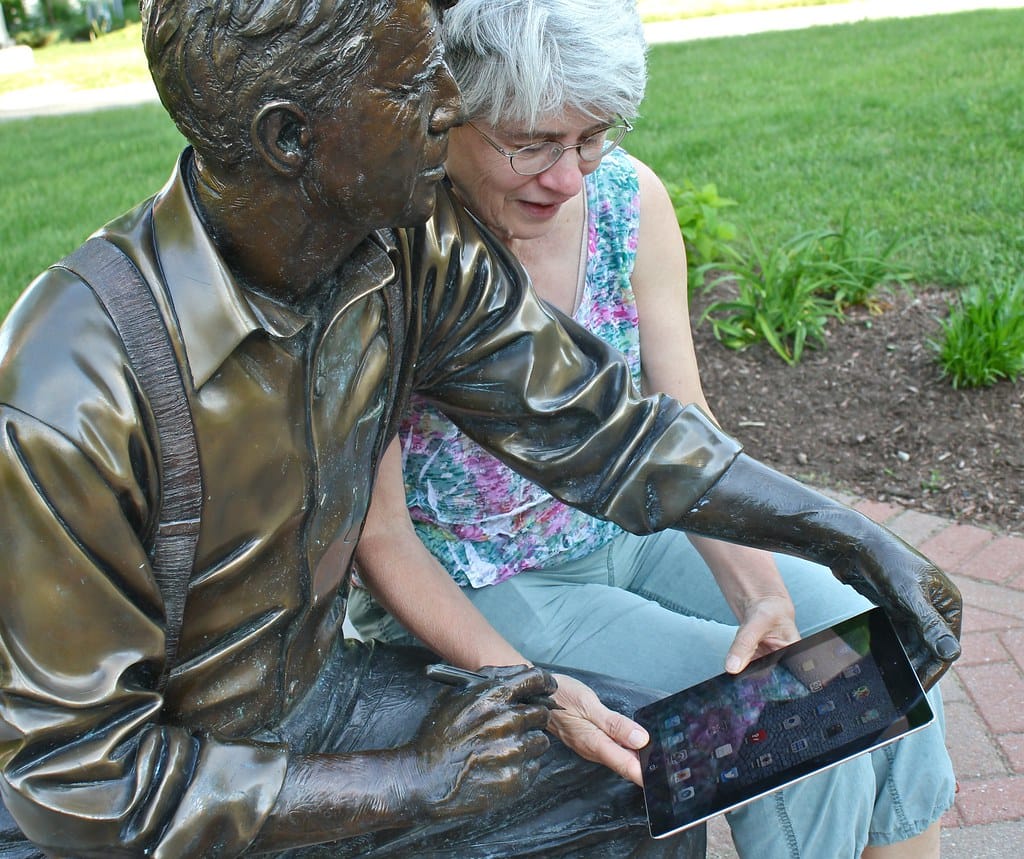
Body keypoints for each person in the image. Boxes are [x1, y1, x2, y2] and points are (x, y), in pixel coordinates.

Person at [0, 0, 960, 857]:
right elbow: (76, 779)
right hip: (174, 772)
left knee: (628, 766)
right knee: (680, 739)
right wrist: (410, 778)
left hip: (319, 699)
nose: (452, 105)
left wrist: (855, 540)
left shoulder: (402, 250)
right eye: (415, 83)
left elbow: (611, 430)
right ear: (292, 135)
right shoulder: (74, 376)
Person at [349, 1, 958, 857]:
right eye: (531, 142)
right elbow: (379, 539)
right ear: (451, 111)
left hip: (636, 530)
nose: (567, 178)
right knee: (802, 724)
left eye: (589, 137)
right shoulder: (388, 255)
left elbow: (683, 424)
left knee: (882, 650)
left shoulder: (628, 198)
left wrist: (760, 590)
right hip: (484, 576)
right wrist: (526, 686)